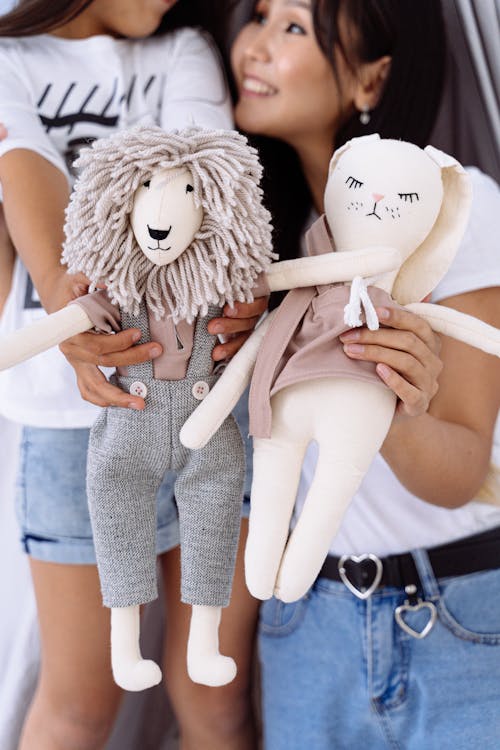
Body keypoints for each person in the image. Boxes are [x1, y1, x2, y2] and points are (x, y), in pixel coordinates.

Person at [227, 0, 500, 748]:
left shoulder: (457, 208)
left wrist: (391, 404)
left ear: (371, 80)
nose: (253, 46)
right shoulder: (251, 235)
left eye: (292, 29)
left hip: (457, 622)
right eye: (258, 16)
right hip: (302, 622)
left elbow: (460, 468)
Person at [0, 2, 263, 748]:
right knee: (81, 703)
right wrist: (73, 313)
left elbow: (209, 181)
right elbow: (31, 182)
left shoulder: (185, 50)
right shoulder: (7, 64)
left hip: (206, 406)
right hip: (67, 427)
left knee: (214, 691)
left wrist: (237, 275)